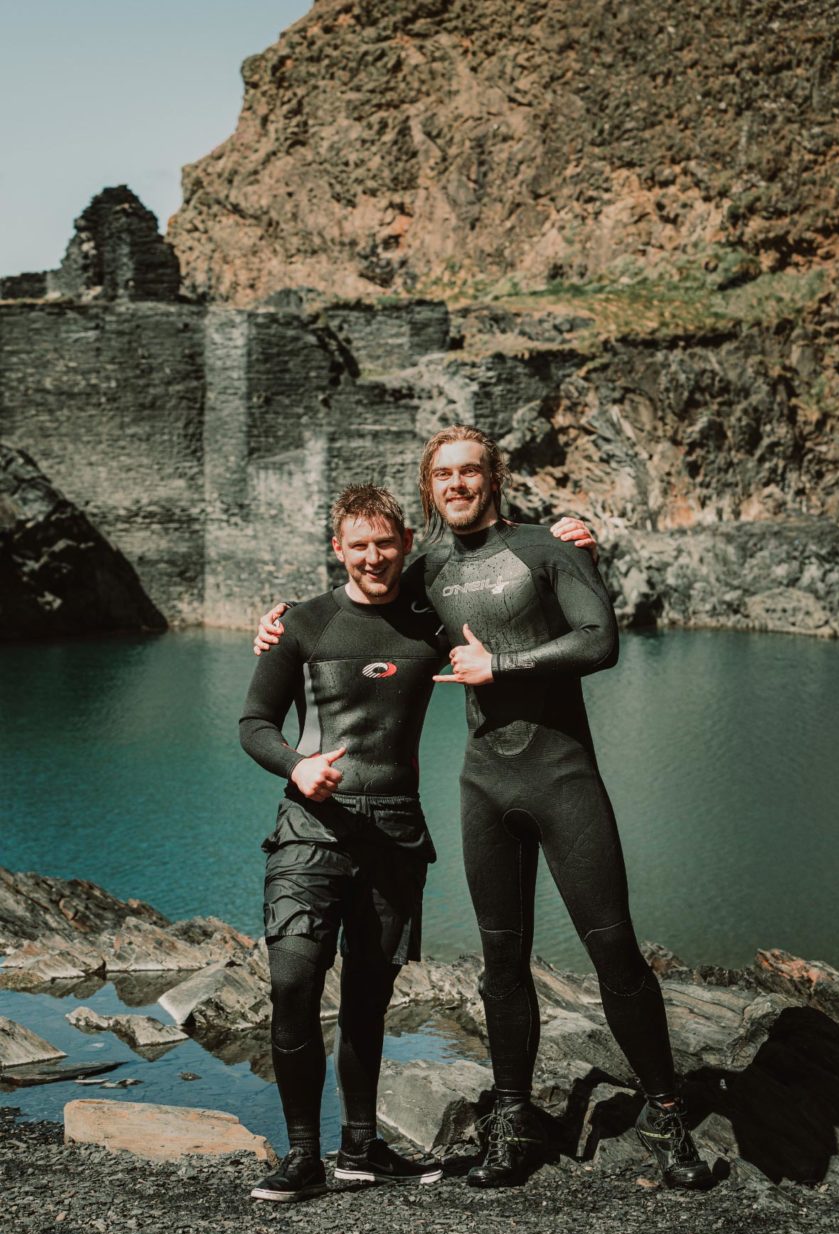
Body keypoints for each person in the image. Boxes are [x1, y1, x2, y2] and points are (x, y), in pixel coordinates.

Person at [255, 428, 712, 1192]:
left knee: (613, 950)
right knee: (501, 963)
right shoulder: (423, 567)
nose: (457, 483)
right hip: (482, 785)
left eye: (470, 470)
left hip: (562, 777)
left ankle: (665, 1114)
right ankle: (510, 1121)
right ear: (427, 488)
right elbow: (354, 603)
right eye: (443, 474)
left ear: (493, 475)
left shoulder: (544, 546)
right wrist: (277, 624)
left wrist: (501, 660)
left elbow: (600, 641)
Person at [241, 481, 593, 1202]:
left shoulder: (430, 620)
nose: (372, 557)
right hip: (309, 832)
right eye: (358, 545)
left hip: (396, 835)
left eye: (385, 543)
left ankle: (361, 1149)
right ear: (336, 549)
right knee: (291, 984)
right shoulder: (302, 624)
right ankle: (303, 1154)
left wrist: (574, 546)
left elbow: (529, 614)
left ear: (404, 546)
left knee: (370, 999)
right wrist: (297, 765)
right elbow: (254, 724)